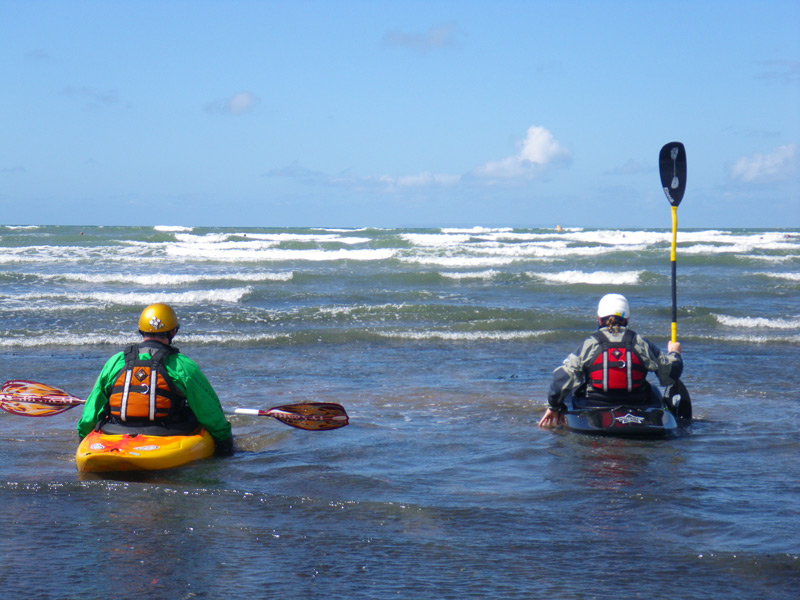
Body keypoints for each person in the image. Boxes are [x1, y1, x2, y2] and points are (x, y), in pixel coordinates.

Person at [77, 303, 234, 455]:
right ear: (173, 332)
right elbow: (209, 410)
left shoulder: (115, 361)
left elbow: (92, 408)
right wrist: (225, 445)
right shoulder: (182, 365)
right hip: (165, 433)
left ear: (141, 330)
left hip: (115, 431)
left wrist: (83, 437)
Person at [539, 293, 683, 428]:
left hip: (594, 404)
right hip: (637, 403)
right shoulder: (640, 342)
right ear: (627, 319)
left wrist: (553, 407)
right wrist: (674, 352)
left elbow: (563, 377)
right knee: (653, 390)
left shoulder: (590, 344)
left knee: (572, 390)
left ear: (599, 318)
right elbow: (670, 374)